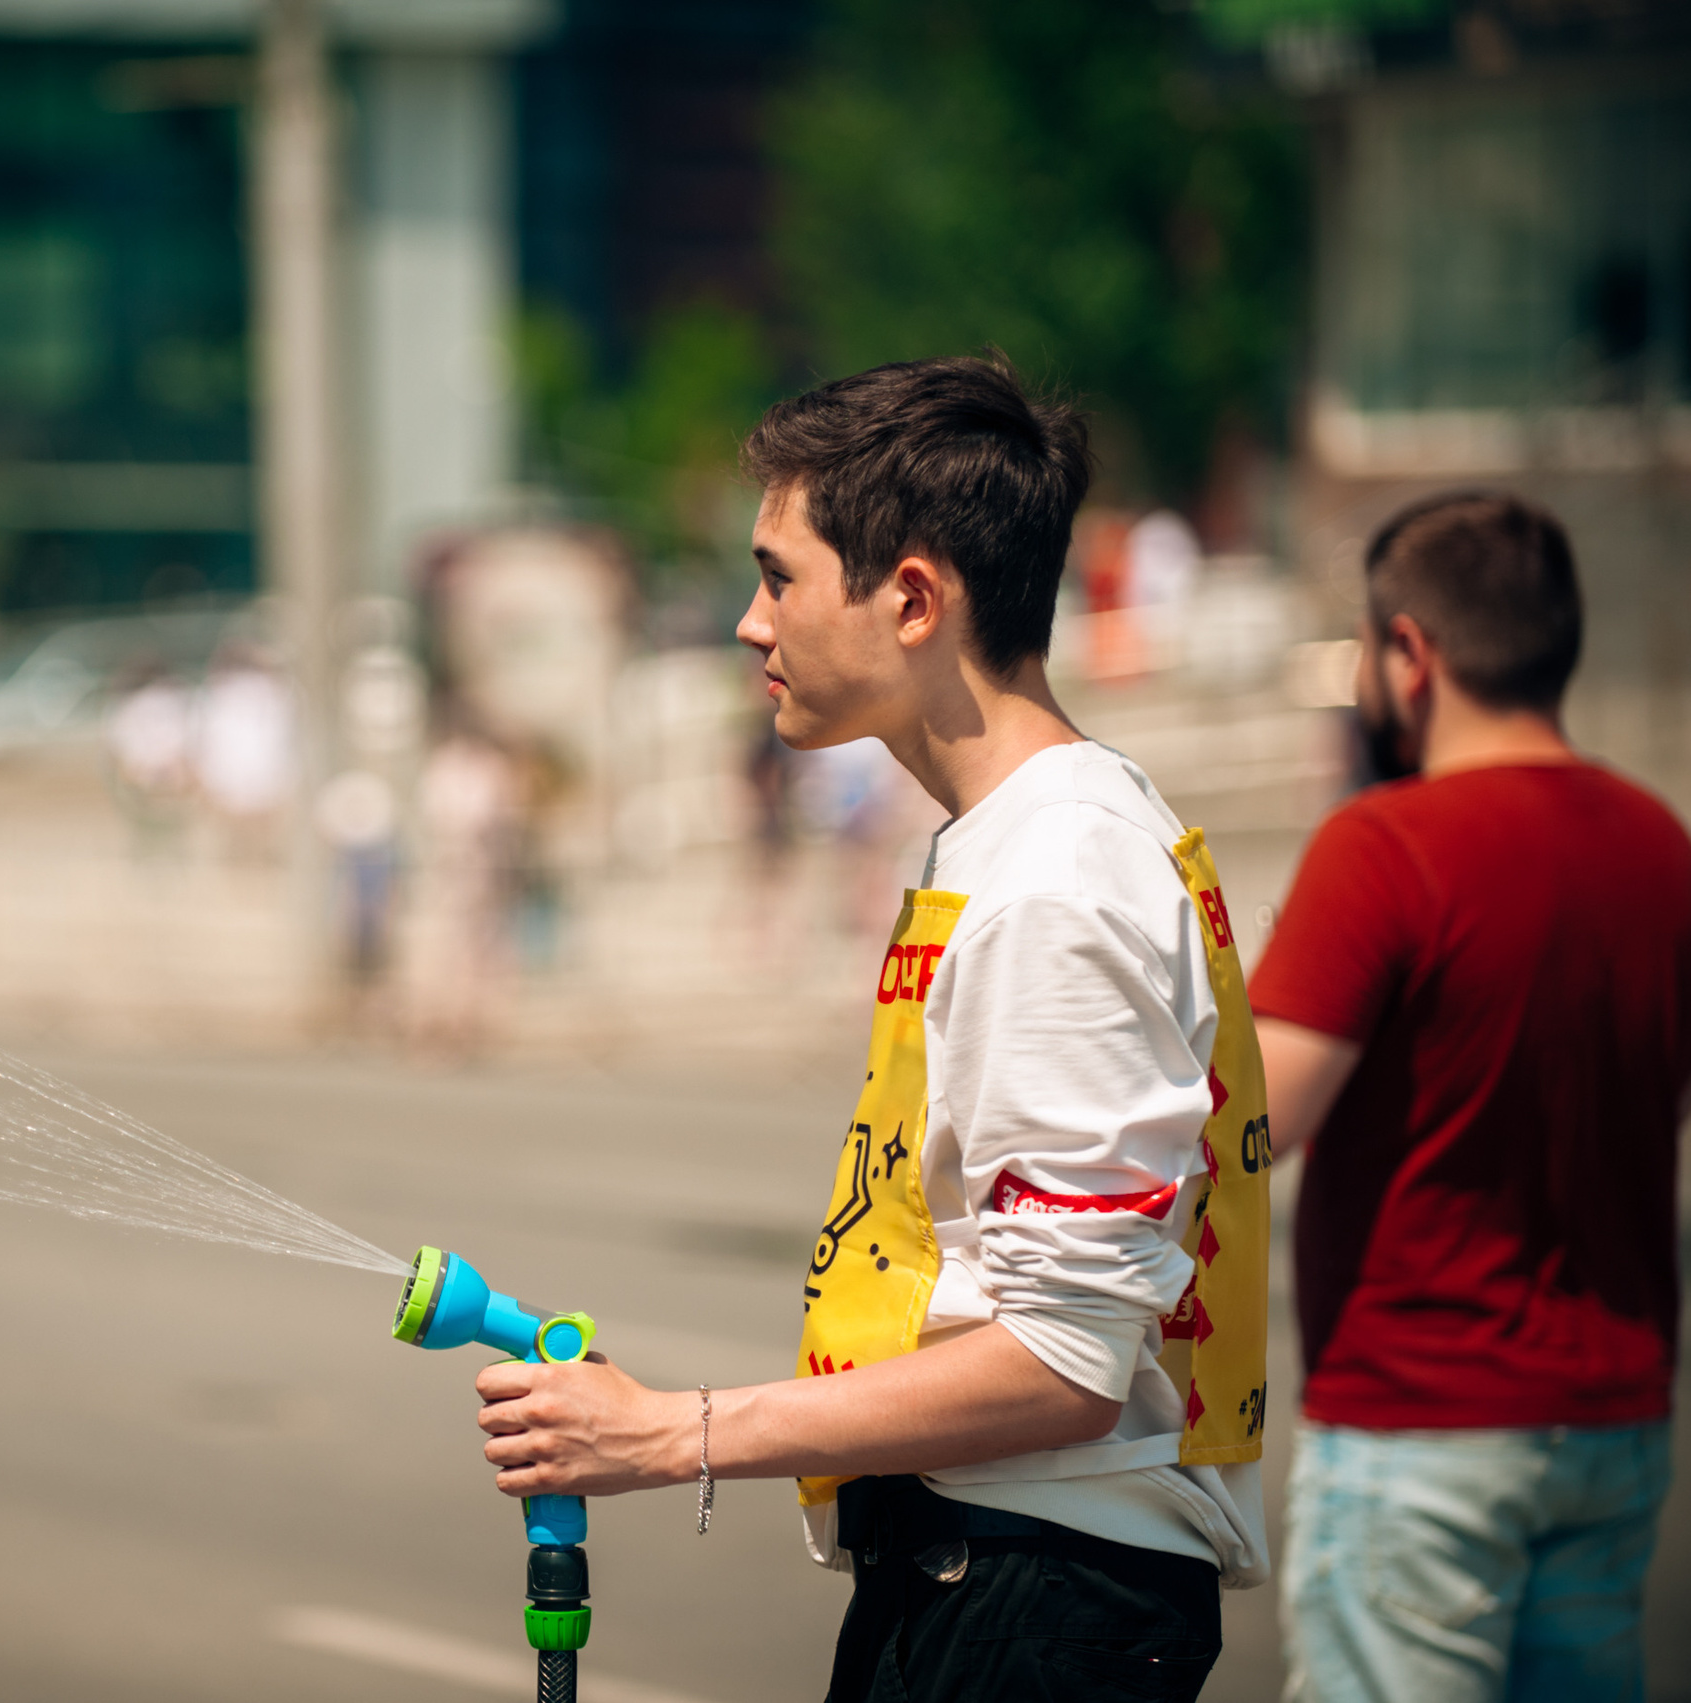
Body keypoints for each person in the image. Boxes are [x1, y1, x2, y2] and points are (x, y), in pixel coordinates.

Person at [473, 355, 1270, 1703]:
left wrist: (679, 1431)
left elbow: (1068, 1364)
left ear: (912, 598)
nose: (746, 621)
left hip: (1036, 1594)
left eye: (779, 575)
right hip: (990, 1573)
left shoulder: (1054, 882)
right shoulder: (1032, 838)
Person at [1248, 492, 1691, 1703]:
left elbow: (1248, 1119)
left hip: (1421, 1421)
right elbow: (1655, 1101)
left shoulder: (1384, 845)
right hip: (1615, 1417)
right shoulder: (1664, 845)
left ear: (1410, 651)